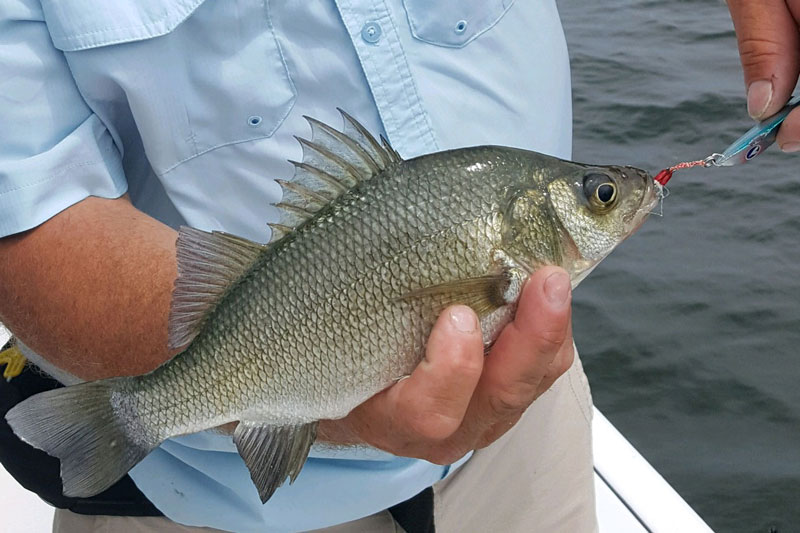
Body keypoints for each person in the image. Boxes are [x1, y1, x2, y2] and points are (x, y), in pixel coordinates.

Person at [0, 1, 794, 532]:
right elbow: (23, 222)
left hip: (531, 429)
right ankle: (135, 414)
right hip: (220, 501)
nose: (613, 200)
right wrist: (330, 402)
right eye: (599, 196)